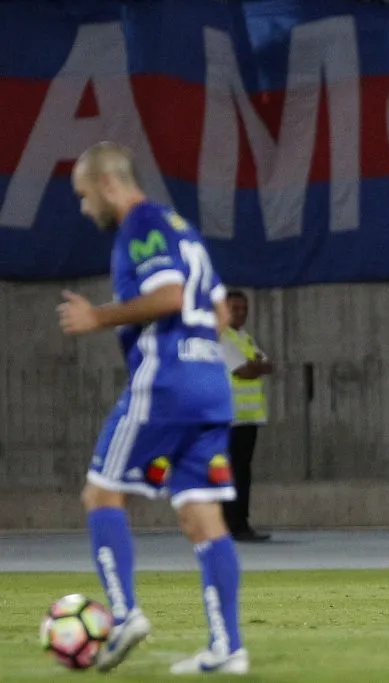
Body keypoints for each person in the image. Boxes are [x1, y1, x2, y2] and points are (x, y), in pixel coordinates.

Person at [57, 141, 248, 673]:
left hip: (166, 381)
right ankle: (227, 648)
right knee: (202, 516)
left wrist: (98, 318)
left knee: (100, 492)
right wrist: (195, 348)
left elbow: (167, 296)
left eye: (84, 194)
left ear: (108, 184)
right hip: (211, 382)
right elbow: (220, 312)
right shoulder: (180, 226)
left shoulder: (140, 225)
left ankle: (122, 616)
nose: (84, 207)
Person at [220, 289, 273, 542]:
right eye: (235, 308)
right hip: (232, 418)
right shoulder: (222, 337)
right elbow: (244, 371)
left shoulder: (245, 338)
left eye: (244, 309)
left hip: (249, 418)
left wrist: (257, 365)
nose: (241, 313)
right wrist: (256, 365)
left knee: (242, 472)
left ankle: (239, 522)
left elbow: (267, 364)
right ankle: (234, 525)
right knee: (234, 473)